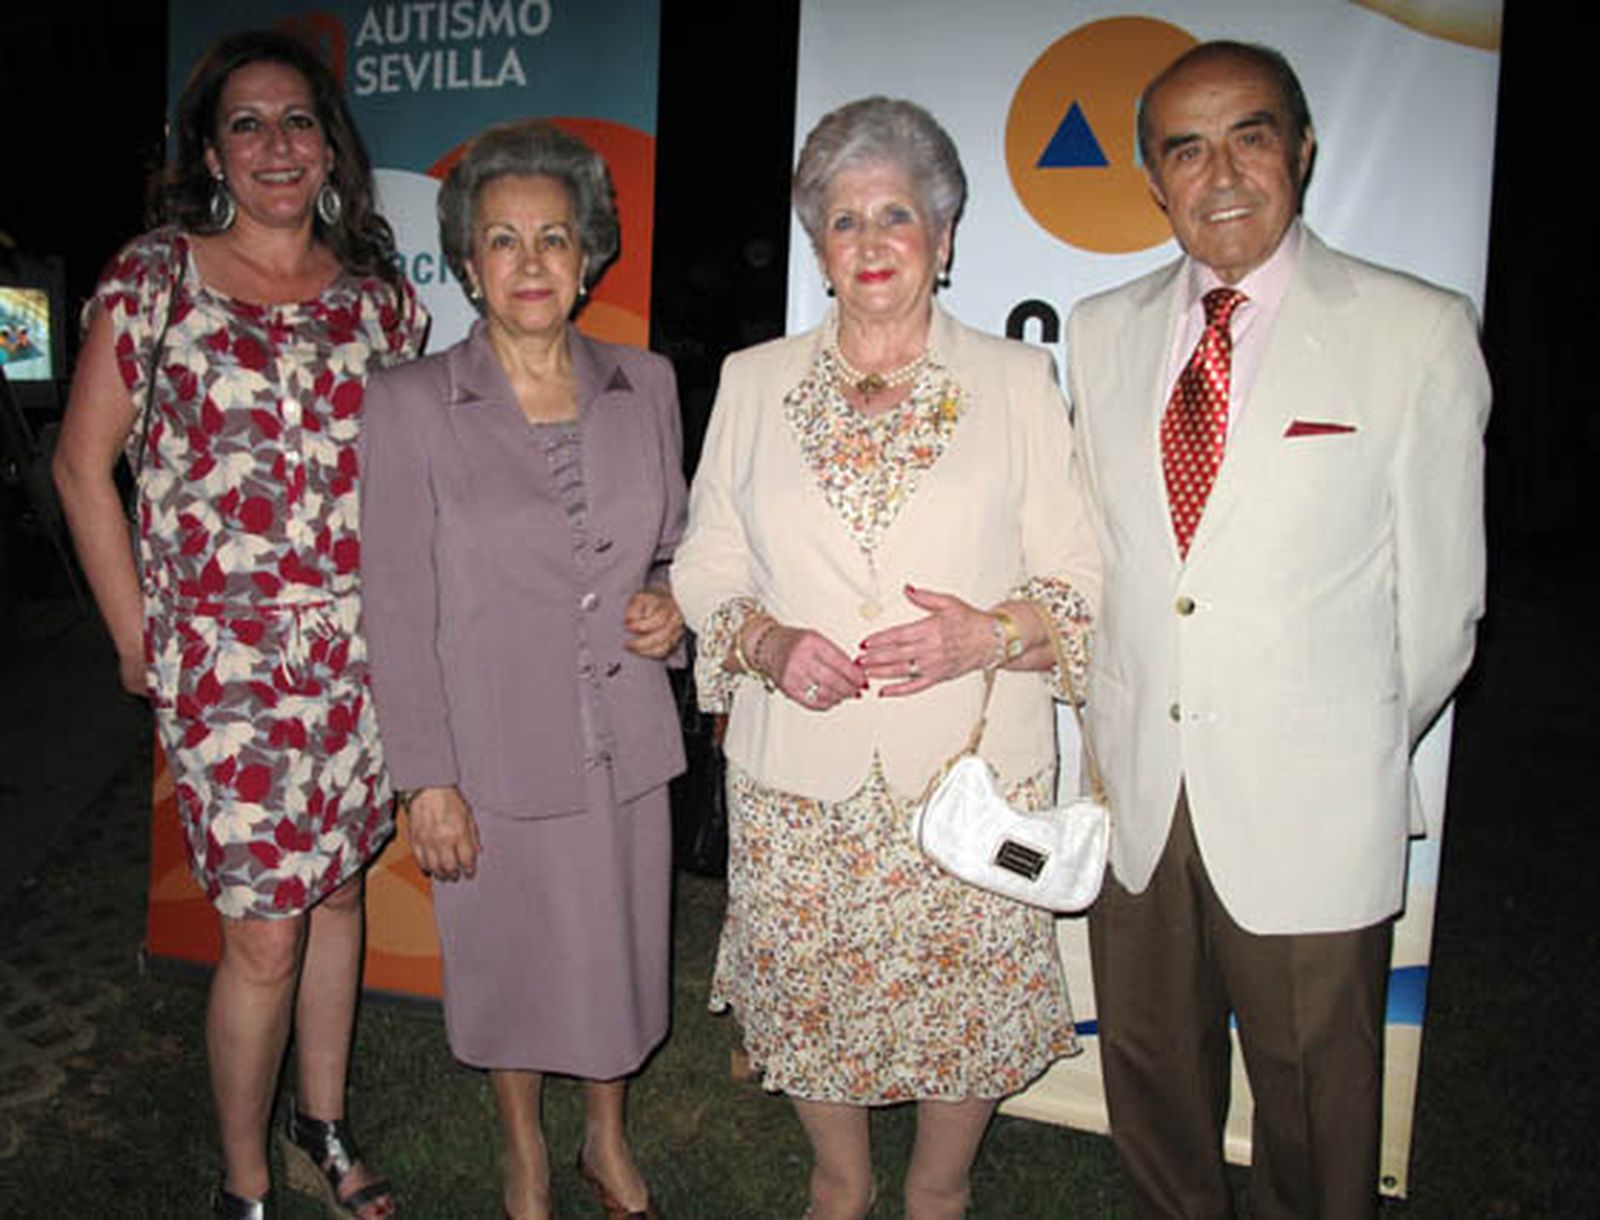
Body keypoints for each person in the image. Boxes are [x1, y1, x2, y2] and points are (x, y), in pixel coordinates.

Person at [1067, 41, 1490, 1218]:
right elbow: (1101, 551)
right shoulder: (1100, 331)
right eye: (1183, 148)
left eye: (1249, 134)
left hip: (1313, 788)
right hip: (1143, 788)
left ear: (1300, 148)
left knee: (1314, 1092)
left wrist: (1334, 741)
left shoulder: (1414, 329)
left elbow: (1445, 604)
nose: (1220, 173)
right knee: (1151, 1068)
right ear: (1154, 178)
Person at [671, 96, 1100, 1220]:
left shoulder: (1015, 382)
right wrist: (759, 640)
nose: (869, 243)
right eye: (844, 221)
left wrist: (988, 634)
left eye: (896, 216)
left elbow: (1083, 580)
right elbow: (705, 561)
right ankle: (839, 1178)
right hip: (799, 770)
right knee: (810, 995)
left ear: (944, 238)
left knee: (963, 994)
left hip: (965, 770)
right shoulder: (756, 379)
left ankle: (938, 1188)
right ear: (818, 244)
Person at [52, 29, 426, 1220]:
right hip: (230, 670)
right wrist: (134, 636)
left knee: (338, 896)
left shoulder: (384, 307)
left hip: (359, 661)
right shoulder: (152, 279)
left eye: (298, 120)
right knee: (263, 933)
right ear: (211, 149)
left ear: (331, 147)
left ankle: (322, 1119)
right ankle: (245, 1180)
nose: (277, 144)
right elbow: (79, 468)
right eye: (248, 123)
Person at [359, 120, 685, 1220]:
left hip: (622, 733)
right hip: (490, 742)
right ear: (464, 263)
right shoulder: (409, 403)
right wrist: (425, 776)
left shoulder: (648, 382)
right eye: (504, 240)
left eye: (554, 236)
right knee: (509, 958)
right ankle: (524, 1153)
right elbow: (395, 606)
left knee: (621, 951)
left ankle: (603, 1135)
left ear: (589, 255)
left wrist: (672, 612)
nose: (532, 261)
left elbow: (678, 547)